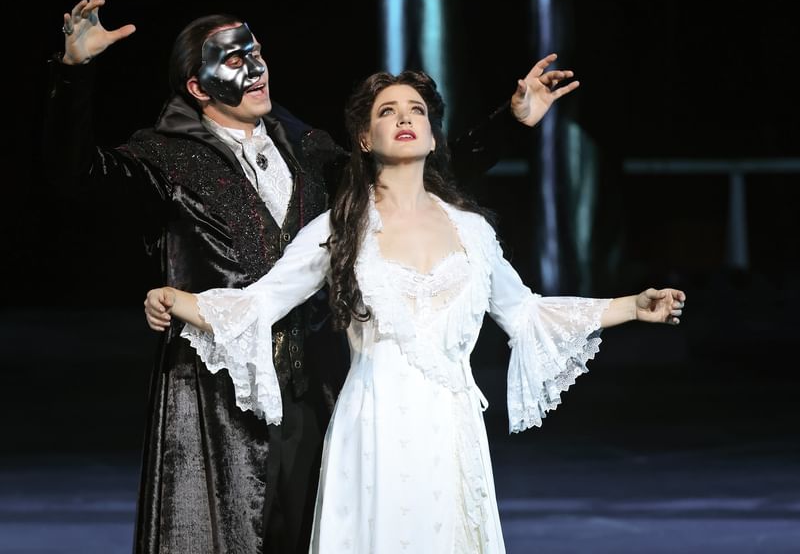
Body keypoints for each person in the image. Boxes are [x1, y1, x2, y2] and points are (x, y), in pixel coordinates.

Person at [45, 0, 579, 554]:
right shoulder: (166, 157)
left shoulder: (308, 150)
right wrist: (74, 73)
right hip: (217, 391)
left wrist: (510, 122)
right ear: (198, 87)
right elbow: (73, 178)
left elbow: (412, 177)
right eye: (234, 59)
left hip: (311, 387)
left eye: (256, 52)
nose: (255, 69)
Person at [144, 70, 686, 553]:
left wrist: (632, 307)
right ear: (365, 138)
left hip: (452, 431)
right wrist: (175, 298)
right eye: (388, 111)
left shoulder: (472, 232)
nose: (404, 119)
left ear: (432, 135)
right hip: (373, 427)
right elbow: (261, 302)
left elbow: (527, 315)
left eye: (416, 111)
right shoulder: (340, 228)